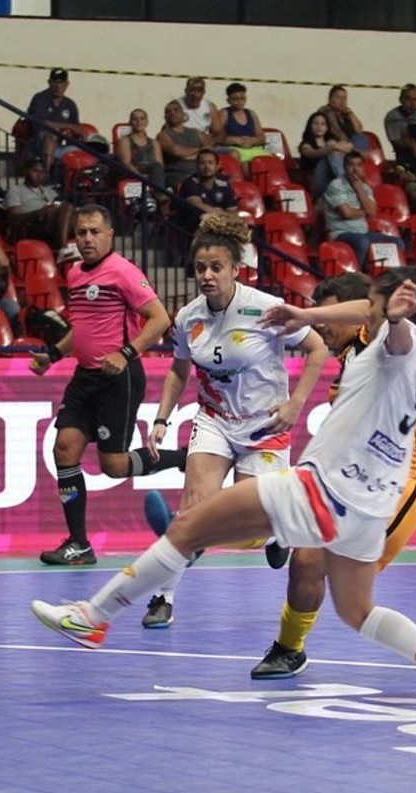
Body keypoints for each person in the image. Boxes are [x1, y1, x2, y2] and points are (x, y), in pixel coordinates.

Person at [32, 266, 416, 702]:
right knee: (358, 612)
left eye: (371, 304)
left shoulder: (400, 342)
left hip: (322, 490)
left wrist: (372, 318)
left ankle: (93, 617)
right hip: (366, 513)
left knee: (188, 527)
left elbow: (389, 331)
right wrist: (317, 316)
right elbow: (377, 322)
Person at [137, 215, 328, 628]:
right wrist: (161, 420)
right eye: (200, 268)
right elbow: (178, 370)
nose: (206, 275)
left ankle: (276, 535)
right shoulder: (188, 317)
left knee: (254, 520)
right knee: (193, 506)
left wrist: (295, 404)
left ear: (234, 269)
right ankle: (163, 596)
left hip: (265, 428)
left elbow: (318, 349)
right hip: (215, 419)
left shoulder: (265, 309)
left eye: (216, 267)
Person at [250, 271, 416, 679]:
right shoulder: (350, 364)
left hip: (408, 477)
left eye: (329, 313)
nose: (322, 324)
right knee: (305, 559)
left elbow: (372, 309)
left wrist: (304, 315)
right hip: (361, 480)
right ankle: (289, 649)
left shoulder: (381, 339)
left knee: (337, 581)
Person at [29, 205, 187, 566]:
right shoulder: (73, 274)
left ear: (110, 234)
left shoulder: (123, 272)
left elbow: (160, 319)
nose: (86, 238)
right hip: (84, 378)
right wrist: (53, 355)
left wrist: (127, 352)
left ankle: (184, 459)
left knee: (114, 466)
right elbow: (81, 328)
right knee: (64, 449)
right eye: (81, 232)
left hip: (120, 378)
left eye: (93, 232)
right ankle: (79, 544)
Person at [324, 150, 406, 268]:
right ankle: (357, 277)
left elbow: (371, 212)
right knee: (362, 242)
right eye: (351, 165)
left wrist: (359, 189)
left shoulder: (365, 188)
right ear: (345, 168)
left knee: (397, 243)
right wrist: (365, 211)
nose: (355, 169)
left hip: (363, 233)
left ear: (363, 169)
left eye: (359, 165)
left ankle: (385, 276)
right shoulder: (336, 185)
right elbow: (346, 213)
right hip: (340, 233)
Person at [5, 157, 74, 251]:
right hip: (33, 225)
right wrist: (39, 213)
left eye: (42, 172)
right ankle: (64, 249)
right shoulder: (16, 191)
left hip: (53, 222)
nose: (39, 175)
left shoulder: (49, 191)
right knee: (67, 208)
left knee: (81, 213)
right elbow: (13, 218)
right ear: (25, 171)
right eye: (35, 171)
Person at [25, 67, 83, 165]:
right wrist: (68, 126)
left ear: (67, 84)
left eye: (61, 83)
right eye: (55, 82)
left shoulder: (70, 104)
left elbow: (76, 127)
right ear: (49, 82)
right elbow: (41, 122)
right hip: (39, 140)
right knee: (52, 134)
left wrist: (82, 135)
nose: (58, 86)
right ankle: (46, 176)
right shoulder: (40, 98)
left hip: (63, 142)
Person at [299, 111, 353, 196]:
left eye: (323, 124)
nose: (319, 127)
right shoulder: (305, 145)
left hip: (333, 179)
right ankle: (346, 183)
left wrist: (338, 146)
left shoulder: (332, 142)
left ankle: (347, 182)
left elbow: (350, 147)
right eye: (315, 123)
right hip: (317, 183)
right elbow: (314, 153)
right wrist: (333, 147)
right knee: (331, 151)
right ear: (310, 126)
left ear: (327, 128)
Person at [217, 82, 271, 166]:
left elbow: (262, 137)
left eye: (242, 98)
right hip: (233, 148)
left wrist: (253, 140)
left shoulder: (251, 114)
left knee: (271, 160)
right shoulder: (224, 113)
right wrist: (234, 140)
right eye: (235, 99)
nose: (239, 102)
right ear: (228, 100)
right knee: (242, 161)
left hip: (251, 148)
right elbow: (217, 137)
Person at [115, 107, 165, 188]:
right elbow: (126, 163)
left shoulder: (154, 143)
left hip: (152, 173)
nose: (139, 122)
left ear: (147, 122)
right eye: (135, 119)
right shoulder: (125, 141)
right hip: (134, 172)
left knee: (157, 167)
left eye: (142, 118)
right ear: (130, 122)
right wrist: (140, 176)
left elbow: (160, 164)